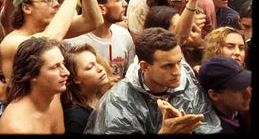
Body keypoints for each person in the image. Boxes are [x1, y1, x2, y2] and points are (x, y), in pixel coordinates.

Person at [84, 27, 221, 134]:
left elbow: (209, 128)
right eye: (168, 66)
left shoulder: (189, 86)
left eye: (179, 62)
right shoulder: (119, 102)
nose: (178, 71)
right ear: (144, 66)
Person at [0, 0, 103, 81]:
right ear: (26, 7)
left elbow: (93, 20)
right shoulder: (11, 42)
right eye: (47, 0)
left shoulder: (47, 29)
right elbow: (47, 42)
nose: (56, 4)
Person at [64, 0, 135, 80]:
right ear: (101, 9)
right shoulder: (73, 41)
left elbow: (128, 75)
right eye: (119, 0)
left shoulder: (124, 35)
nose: (125, 3)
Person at [0, 37, 69, 134]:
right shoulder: (15, 128)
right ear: (32, 75)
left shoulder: (53, 94)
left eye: (63, 63)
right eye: (55, 67)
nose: (66, 72)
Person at [61, 43, 114, 134]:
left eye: (97, 62)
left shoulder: (107, 98)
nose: (100, 68)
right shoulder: (75, 119)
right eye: (90, 67)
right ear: (76, 79)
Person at [197, 55, 252, 133]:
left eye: (245, 85)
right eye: (236, 89)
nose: (248, 95)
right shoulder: (214, 130)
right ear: (214, 95)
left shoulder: (236, 112)